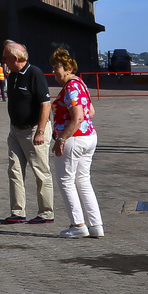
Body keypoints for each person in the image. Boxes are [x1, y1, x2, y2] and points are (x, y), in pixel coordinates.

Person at [48, 48, 102, 239]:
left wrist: (62, 138)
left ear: (69, 68)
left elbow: (77, 117)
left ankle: (78, 224)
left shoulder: (70, 87)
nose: (55, 72)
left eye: (58, 68)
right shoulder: (80, 84)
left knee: (66, 181)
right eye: (53, 68)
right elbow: (90, 112)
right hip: (89, 136)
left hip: (74, 139)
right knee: (83, 181)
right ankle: (96, 225)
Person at [0, 41, 55, 226]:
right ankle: (17, 211)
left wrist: (40, 131)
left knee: (41, 171)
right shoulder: (12, 76)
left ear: (15, 58)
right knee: (14, 169)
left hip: (34, 130)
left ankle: (46, 212)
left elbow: (46, 104)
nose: (3, 61)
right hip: (16, 130)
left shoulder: (34, 74)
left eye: (5, 58)